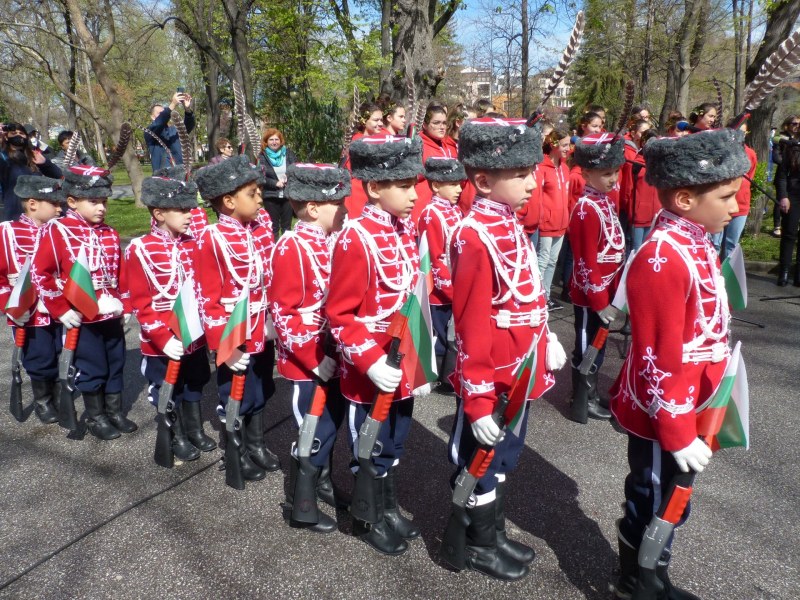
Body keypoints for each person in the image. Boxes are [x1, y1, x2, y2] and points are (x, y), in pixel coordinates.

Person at [609, 127, 749, 599]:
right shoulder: (663, 256)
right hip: (662, 413)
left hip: (691, 402)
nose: (736, 207)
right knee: (654, 496)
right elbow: (655, 357)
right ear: (685, 199)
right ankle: (638, 579)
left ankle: (654, 570)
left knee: (675, 498)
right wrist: (675, 429)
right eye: (727, 195)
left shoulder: (696, 243)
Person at [445, 117, 567, 581]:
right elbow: (472, 327)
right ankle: (476, 543)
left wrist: (545, 335)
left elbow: (526, 293)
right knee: (478, 460)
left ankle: (492, 534)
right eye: (521, 174)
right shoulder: (474, 236)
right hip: (491, 377)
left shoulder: (508, 224)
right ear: (483, 181)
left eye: (532, 171)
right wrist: (477, 402)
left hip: (519, 371)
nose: (533, 182)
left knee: (504, 458)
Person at [326, 134, 424, 556]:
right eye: (403, 186)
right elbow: (339, 316)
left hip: (402, 361)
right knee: (370, 442)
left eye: (414, 184)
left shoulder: (403, 231)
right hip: (371, 369)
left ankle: (387, 506)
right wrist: (368, 361)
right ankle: (367, 517)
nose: (414, 195)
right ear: (374, 188)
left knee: (396, 439)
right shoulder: (356, 238)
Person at [269, 163, 350, 533]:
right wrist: (313, 359)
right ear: (314, 208)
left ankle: (322, 483)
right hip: (308, 361)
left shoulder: (333, 242)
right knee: (311, 428)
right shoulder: (290, 246)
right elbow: (285, 314)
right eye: (339, 202)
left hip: (333, 354)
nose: (346, 209)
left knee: (330, 425)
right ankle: (299, 500)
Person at [32, 165, 136, 440]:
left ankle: (114, 411)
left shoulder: (111, 233)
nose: (101, 207)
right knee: (92, 365)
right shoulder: (58, 231)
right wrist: (60, 309)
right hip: (82, 313)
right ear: (72, 201)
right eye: (94, 201)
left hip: (110, 309)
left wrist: (125, 304)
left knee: (116, 362)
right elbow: (40, 273)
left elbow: (120, 274)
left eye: (104, 201)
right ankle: (95, 415)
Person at [194, 156, 279, 483]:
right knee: (235, 395)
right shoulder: (212, 238)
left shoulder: (261, 227)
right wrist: (225, 348)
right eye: (252, 192)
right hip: (235, 333)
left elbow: (268, 276)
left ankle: (256, 444)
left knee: (261, 387)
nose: (260, 197)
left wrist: (273, 319)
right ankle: (237, 451)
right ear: (228, 201)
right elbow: (208, 299)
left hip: (262, 327)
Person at [122, 172, 216, 466]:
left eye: (190, 208)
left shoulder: (195, 244)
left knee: (195, 381)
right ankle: (173, 434)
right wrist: (162, 337)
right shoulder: (140, 248)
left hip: (193, 335)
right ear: (159, 212)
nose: (190, 214)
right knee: (166, 386)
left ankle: (193, 428)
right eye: (182, 209)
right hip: (162, 339)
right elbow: (141, 302)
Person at [567, 133, 627, 424]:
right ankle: (582, 398)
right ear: (587, 173)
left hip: (606, 293)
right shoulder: (585, 209)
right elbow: (586, 261)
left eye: (615, 172)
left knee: (599, 347)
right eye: (606, 173)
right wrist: (600, 300)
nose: (614, 179)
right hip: (590, 296)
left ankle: (591, 393)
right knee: (586, 347)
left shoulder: (604, 202)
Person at [0, 176, 64, 423]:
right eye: (54, 203)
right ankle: (43, 400)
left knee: (61, 352)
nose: (60, 208)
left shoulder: (60, 232)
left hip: (59, 307)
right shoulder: (8, 233)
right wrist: (10, 306)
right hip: (29, 311)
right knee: (39, 357)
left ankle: (60, 395)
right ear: (33, 203)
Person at [417, 157, 464, 395]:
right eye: (453, 184)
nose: (459, 189)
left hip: (456, 283)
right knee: (439, 333)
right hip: (439, 290)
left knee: (452, 331)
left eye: (460, 184)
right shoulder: (431, 214)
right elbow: (434, 259)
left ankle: (449, 371)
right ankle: (437, 373)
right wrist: (452, 291)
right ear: (436, 185)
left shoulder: (455, 211)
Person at [537, 128, 571, 310]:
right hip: (546, 223)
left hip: (561, 222)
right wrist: (543, 216)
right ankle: (538, 296)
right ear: (554, 145)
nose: (568, 148)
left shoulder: (564, 168)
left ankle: (546, 296)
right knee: (542, 260)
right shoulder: (542, 168)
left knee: (552, 262)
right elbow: (538, 197)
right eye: (565, 145)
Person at [1, 122, 63, 221]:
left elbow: (58, 175)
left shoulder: (34, 156)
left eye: (21, 133)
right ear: (6, 137)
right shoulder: (4, 157)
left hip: (38, 212)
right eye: (13, 133)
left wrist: (45, 163)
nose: (18, 135)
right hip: (15, 211)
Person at [716, 119, 757, 259]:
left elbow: (750, 177)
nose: (740, 135)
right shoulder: (720, 151)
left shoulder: (750, 154)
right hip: (720, 203)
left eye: (744, 132)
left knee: (731, 244)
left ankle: (727, 277)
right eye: (737, 131)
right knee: (714, 243)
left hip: (741, 205)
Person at [413, 104, 455, 223]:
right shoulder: (417, 146)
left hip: (445, 211)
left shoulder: (448, 147)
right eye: (436, 123)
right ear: (425, 125)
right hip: (423, 210)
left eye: (444, 123)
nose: (442, 127)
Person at [344, 102, 385, 219]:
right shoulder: (356, 142)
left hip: (373, 192)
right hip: (358, 194)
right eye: (376, 120)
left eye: (381, 120)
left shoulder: (378, 141)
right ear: (364, 121)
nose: (381, 123)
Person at [624, 129, 660, 251]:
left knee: (647, 249)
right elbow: (628, 188)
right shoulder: (636, 164)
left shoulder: (657, 164)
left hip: (654, 214)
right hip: (638, 214)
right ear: (644, 143)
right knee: (636, 249)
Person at [258, 128, 298, 239]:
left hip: (287, 195)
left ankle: (286, 250)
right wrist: (275, 183)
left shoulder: (288, 153)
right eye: (271, 139)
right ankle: (273, 251)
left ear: (281, 141)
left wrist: (288, 176)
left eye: (276, 139)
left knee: (287, 227)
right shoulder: (262, 156)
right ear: (266, 142)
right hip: (271, 196)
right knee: (273, 227)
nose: (274, 142)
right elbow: (260, 176)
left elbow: (295, 169)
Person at [146, 92, 195, 171]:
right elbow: (159, 122)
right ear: (152, 117)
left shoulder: (174, 130)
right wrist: (172, 104)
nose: (164, 114)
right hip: (163, 177)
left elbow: (187, 127)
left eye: (163, 112)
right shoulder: (149, 132)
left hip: (180, 173)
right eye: (159, 113)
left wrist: (187, 109)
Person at [775, 134, 800, 286]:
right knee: (789, 234)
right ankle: (784, 272)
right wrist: (783, 196)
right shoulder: (792, 148)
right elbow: (782, 176)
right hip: (793, 195)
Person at [771, 115, 799, 237]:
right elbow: (776, 156)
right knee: (781, 199)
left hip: (795, 176)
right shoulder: (780, 137)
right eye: (794, 123)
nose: (797, 126)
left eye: (799, 124)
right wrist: (788, 163)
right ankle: (777, 225)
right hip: (783, 173)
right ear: (787, 124)